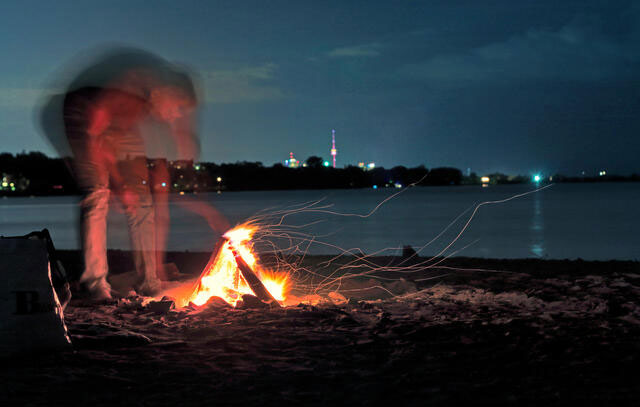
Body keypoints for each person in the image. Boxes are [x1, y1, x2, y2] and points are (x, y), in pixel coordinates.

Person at [43, 47, 228, 299]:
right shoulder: (128, 91)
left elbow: (160, 192)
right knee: (97, 193)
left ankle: (149, 281)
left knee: (142, 201)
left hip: (116, 127)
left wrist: (207, 209)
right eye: (179, 108)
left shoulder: (147, 106)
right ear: (164, 92)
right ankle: (95, 284)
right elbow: (95, 138)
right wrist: (118, 185)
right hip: (82, 114)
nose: (176, 116)